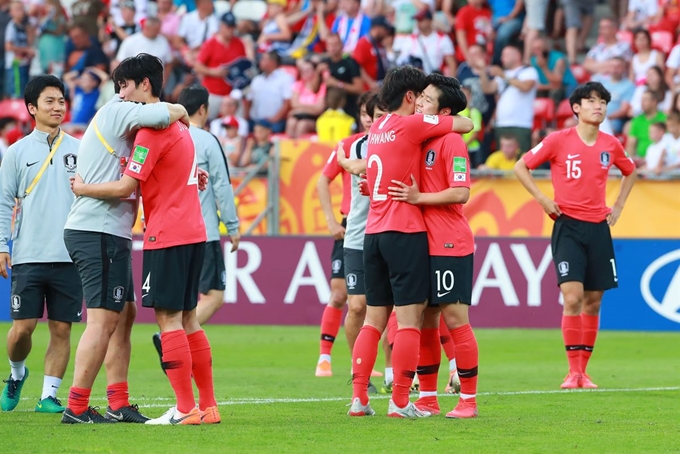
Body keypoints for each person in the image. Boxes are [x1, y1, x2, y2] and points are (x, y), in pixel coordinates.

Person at [71, 64, 218, 426]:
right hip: (195, 231)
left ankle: (184, 409)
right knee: (188, 320)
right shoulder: (184, 130)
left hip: (165, 234)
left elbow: (125, 187)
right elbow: (182, 173)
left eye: (125, 86)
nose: (122, 94)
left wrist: (81, 188)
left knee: (168, 320)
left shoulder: (151, 131)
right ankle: (208, 406)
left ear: (145, 85)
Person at [348, 66, 473, 418]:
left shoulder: (379, 129)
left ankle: (359, 399)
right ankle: (401, 402)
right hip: (404, 233)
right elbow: (466, 125)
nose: (421, 101)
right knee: (410, 322)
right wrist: (442, 117)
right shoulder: (408, 124)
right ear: (409, 97)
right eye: (420, 95)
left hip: (372, 233)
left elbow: (377, 175)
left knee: (373, 321)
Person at [514, 81, 637, 389]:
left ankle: (583, 372)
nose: (599, 106)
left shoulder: (611, 145)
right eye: (591, 101)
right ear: (576, 108)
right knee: (573, 298)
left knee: (594, 301)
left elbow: (630, 170)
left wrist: (619, 204)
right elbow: (521, 166)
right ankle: (571, 372)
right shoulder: (558, 140)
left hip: (598, 227)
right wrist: (543, 199)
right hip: (567, 225)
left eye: (603, 102)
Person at [386, 73, 478, 418]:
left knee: (455, 318)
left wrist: (418, 197)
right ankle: (427, 397)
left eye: (426, 99)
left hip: (449, 241)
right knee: (426, 321)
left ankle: (468, 400)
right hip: (418, 241)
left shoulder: (451, 140)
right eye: (419, 97)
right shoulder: (416, 138)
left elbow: (461, 192)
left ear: (444, 113)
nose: (419, 103)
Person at [0, 75, 81, 414]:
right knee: (22, 330)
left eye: (61, 100)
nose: (57, 107)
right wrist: (3, 246)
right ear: (32, 108)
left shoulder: (80, 148)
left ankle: (48, 396)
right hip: (29, 253)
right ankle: (17, 373)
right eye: (49, 101)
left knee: (61, 329)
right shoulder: (17, 152)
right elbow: (4, 201)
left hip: (70, 254)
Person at [149, 84, 240, 363]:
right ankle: (170, 339)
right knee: (213, 296)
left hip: (166, 230)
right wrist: (233, 226)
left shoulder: (166, 136)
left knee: (182, 304)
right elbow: (222, 185)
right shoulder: (207, 140)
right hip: (203, 232)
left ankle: (172, 339)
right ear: (203, 109)